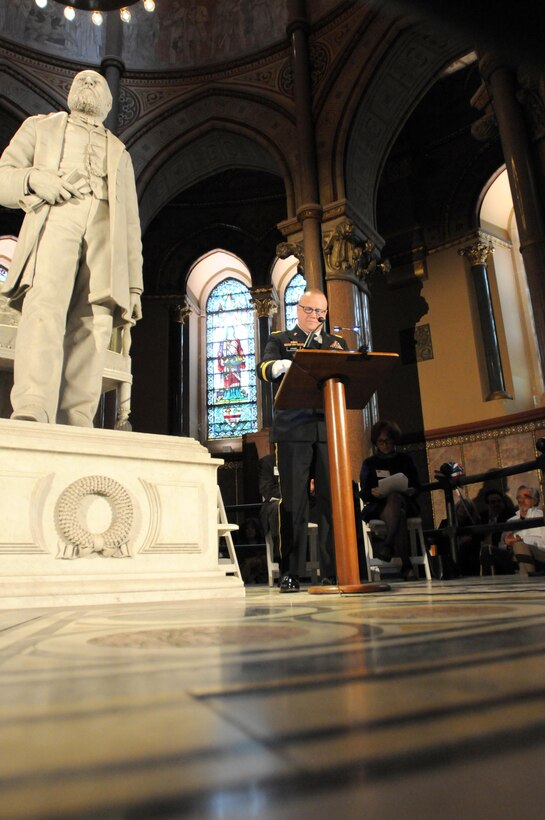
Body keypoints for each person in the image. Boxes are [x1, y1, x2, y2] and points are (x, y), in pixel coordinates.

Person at [0, 69, 143, 426]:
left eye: (97, 83)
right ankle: (34, 405)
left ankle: (77, 416)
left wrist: (134, 285)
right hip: (56, 218)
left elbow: (130, 223)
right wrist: (34, 178)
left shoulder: (120, 151)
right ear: (69, 92)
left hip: (105, 234)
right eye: (82, 80)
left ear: (109, 104)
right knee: (44, 308)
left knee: (94, 324)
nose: (89, 84)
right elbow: (3, 175)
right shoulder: (40, 127)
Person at [257, 288, 348, 592]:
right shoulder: (280, 340)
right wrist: (283, 365)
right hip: (293, 430)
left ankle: (333, 570)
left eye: (320, 312)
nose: (314, 317)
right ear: (298, 309)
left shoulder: (337, 344)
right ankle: (290, 572)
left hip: (327, 430)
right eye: (309, 310)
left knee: (329, 502)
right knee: (293, 503)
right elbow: (264, 369)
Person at [359, 419, 421, 580]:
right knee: (397, 513)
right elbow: (364, 493)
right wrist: (372, 492)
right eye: (381, 441)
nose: (385, 444)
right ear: (376, 442)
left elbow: (417, 485)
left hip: (405, 501)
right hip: (378, 505)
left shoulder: (405, 460)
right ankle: (406, 567)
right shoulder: (369, 463)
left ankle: (388, 545)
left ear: (394, 440)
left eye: (388, 440)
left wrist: (411, 490)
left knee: (395, 498)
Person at [503, 484, 545, 576]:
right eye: (519, 497)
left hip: (540, 555)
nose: (521, 500)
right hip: (513, 555)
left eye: (526, 497)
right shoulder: (510, 521)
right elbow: (501, 545)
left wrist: (522, 541)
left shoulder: (541, 516)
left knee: (519, 546)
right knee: (488, 550)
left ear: (534, 500)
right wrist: (508, 545)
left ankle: (528, 587)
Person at [479, 488, 517, 575]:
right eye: (493, 502)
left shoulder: (509, 515)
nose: (496, 504)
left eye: (499, 501)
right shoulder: (483, 517)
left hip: (501, 549)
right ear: (487, 504)